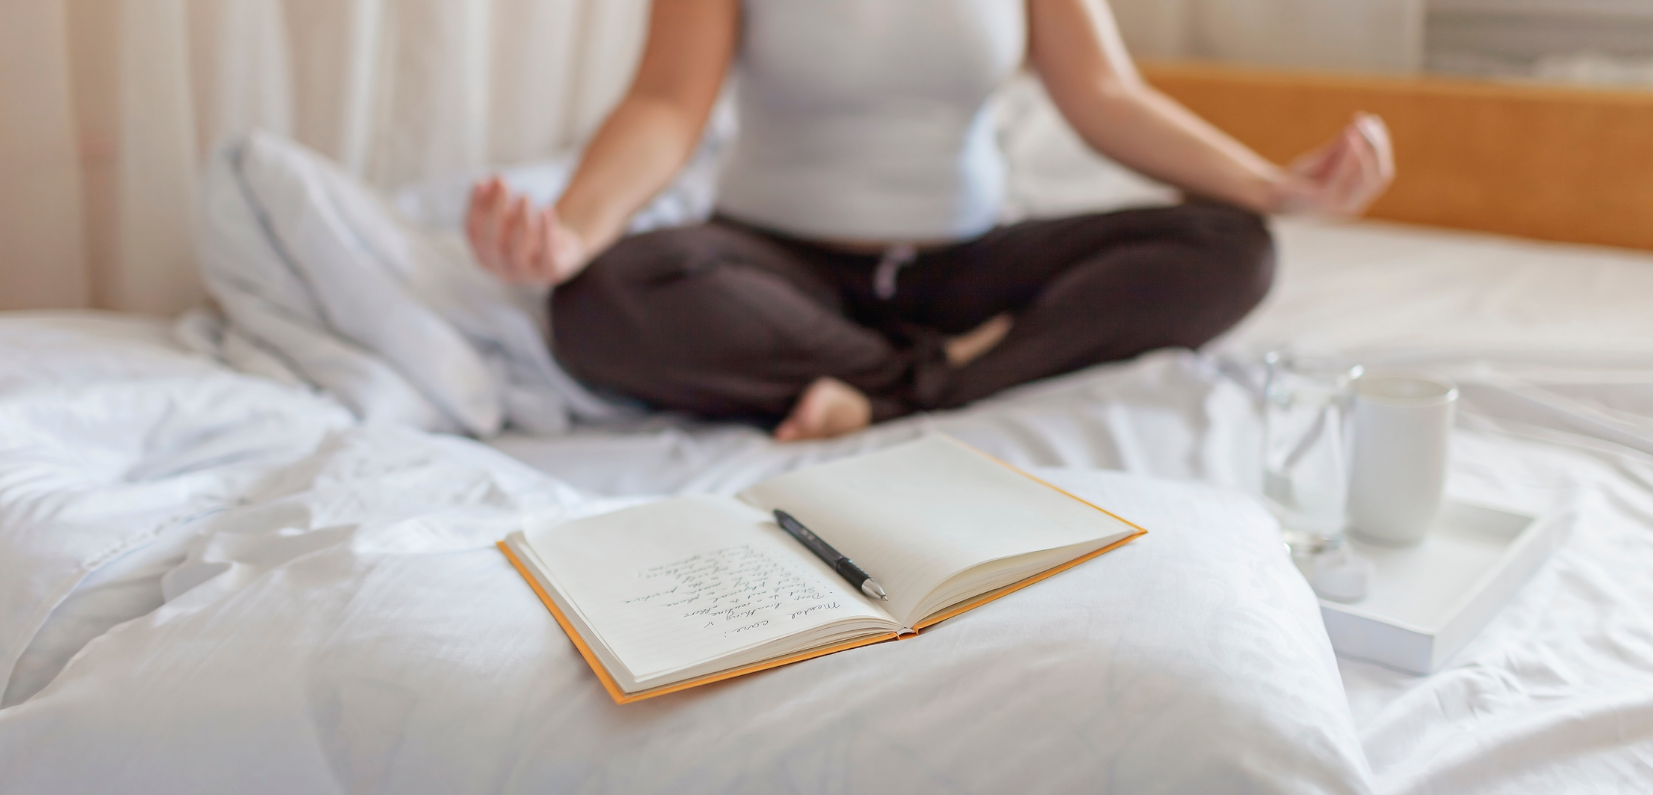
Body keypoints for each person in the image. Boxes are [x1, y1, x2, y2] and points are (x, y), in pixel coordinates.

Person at [464, 0, 1393, 441]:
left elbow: (1104, 93)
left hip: (963, 266)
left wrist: (1268, 186)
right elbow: (668, 102)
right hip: (777, 264)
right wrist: (575, 229)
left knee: (1228, 247)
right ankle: (948, 375)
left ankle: (890, 390)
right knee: (603, 296)